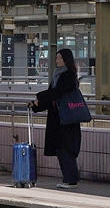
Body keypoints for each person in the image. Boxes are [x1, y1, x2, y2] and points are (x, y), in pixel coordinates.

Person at [30, 48, 82, 190]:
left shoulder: (69, 75)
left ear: (66, 59)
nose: (57, 61)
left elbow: (58, 92)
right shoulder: (57, 75)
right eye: (56, 58)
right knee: (61, 148)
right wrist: (36, 105)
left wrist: (39, 97)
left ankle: (70, 179)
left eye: (59, 58)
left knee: (66, 148)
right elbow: (52, 96)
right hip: (58, 118)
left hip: (67, 118)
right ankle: (69, 178)